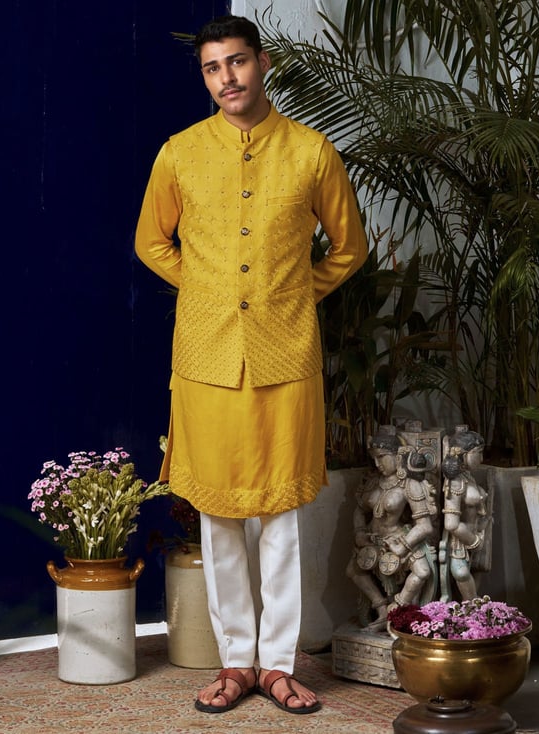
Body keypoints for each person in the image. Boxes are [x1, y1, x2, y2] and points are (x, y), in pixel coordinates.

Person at [135, 14, 367, 714]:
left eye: (236, 62)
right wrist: (209, 292)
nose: (226, 78)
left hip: (286, 355)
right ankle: (236, 662)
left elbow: (349, 247)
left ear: (263, 63)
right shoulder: (179, 153)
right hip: (206, 357)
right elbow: (152, 242)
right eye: (212, 68)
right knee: (218, 515)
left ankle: (279, 665)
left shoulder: (311, 152)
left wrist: (294, 293)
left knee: (282, 517)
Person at [346, 426, 438, 630]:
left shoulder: (409, 485)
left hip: (399, 539)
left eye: (382, 457)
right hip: (373, 540)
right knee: (353, 570)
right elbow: (359, 510)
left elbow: (425, 526)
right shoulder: (373, 482)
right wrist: (359, 532)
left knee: (422, 571)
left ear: (398, 456)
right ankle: (380, 608)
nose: (377, 464)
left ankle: (396, 610)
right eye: (374, 458)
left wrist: (403, 545)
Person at [439, 426, 491, 601]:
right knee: (461, 573)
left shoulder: (467, 476)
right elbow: (451, 524)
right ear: (463, 454)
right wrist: (473, 541)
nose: (481, 459)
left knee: (480, 568)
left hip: (480, 531)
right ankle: (472, 605)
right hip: (462, 539)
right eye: (478, 453)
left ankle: (472, 606)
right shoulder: (455, 483)